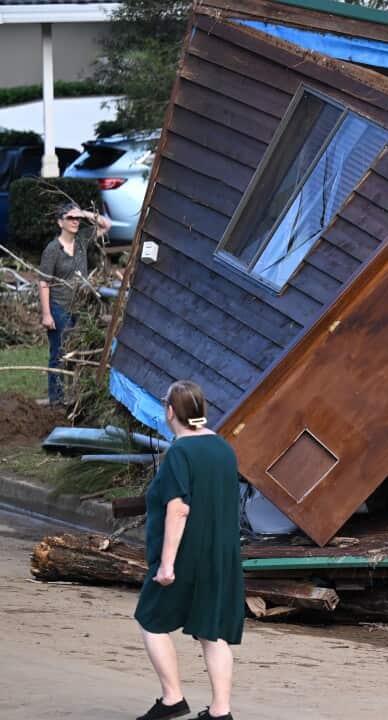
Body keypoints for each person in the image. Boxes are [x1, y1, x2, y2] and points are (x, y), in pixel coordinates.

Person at [134, 380, 244, 720]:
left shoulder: (181, 452)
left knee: (150, 620)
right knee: (211, 630)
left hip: (187, 554)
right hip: (222, 554)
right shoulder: (224, 448)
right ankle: (220, 711)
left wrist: (166, 565)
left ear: (170, 412)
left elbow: (179, 508)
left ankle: (172, 699)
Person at [37, 202, 110, 404]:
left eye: (76, 218)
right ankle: (56, 398)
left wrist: (83, 212)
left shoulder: (82, 241)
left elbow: (106, 225)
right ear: (60, 222)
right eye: (70, 218)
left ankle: (76, 396)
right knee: (59, 353)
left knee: (79, 353)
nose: (75, 221)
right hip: (60, 308)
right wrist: (46, 314)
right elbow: (44, 281)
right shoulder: (52, 250)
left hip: (82, 309)